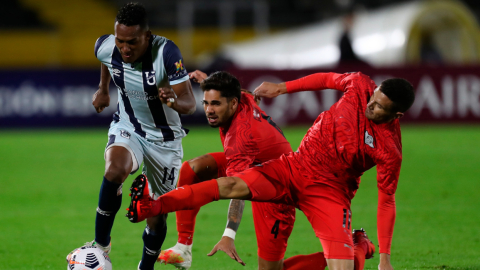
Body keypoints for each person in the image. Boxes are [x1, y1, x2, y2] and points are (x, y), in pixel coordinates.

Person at [127, 71, 415, 270]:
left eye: (379, 107)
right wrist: (282, 87)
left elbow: (386, 200)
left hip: (328, 192)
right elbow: (327, 79)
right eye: (373, 98)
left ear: (397, 115)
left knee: (343, 265)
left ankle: (359, 247)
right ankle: (153, 207)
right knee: (229, 184)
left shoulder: (390, 149)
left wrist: (385, 258)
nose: (370, 106)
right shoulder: (361, 85)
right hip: (294, 165)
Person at [66, 3, 196, 270]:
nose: (125, 48)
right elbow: (106, 60)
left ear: (147, 36)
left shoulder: (166, 53)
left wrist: (173, 101)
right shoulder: (106, 46)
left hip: (165, 141)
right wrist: (103, 89)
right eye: (121, 41)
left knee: (156, 215)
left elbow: (190, 103)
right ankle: (101, 245)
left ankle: (145, 267)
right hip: (129, 127)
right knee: (114, 170)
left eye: (132, 43)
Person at [132, 69, 297, 270]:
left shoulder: (240, 139)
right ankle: (183, 248)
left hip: (280, 188)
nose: (209, 110)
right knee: (192, 169)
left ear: (232, 103)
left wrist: (229, 234)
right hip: (257, 164)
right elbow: (247, 94)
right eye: (207, 103)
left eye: (216, 104)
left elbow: (237, 188)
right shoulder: (241, 99)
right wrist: (208, 81)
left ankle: (342, 254)